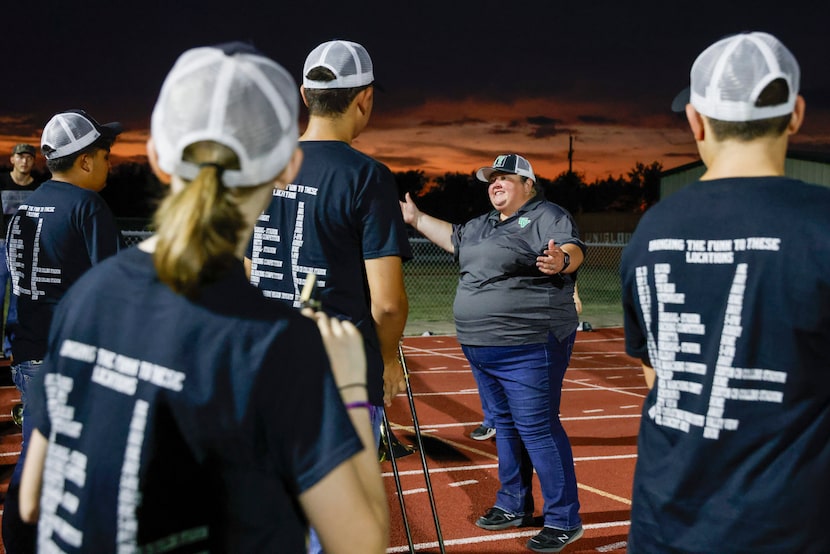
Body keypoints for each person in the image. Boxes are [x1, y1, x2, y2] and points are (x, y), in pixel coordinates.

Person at [17, 42, 389, 553]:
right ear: (286, 168)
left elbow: (31, 500)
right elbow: (360, 543)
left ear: (158, 159)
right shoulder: (279, 345)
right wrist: (349, 387)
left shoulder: (89, 297)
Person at [620, 31, 830, 552]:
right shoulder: (821, 226)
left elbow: (657, 374)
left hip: (664, 520)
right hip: (790, 525)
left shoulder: (652, 229)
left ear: (696, 120)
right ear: (796, 113)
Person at [401, 153, 585, 553]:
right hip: (482, 346)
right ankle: (513, 504)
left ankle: (563, 519)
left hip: (530, 343)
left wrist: (562, 261)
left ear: (528, 185)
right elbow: (453, 237)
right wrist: (416, 219)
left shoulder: (545, 214)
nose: (495, 184)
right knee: (505, 424)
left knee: (537, 428)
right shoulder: (482, 224)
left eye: (505, 178)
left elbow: (571, 248)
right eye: (491, 179)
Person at [244, 40, 410, 427]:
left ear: (305, 95)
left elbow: (248, 271)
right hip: (340, 371)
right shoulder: (366, 176)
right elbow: (387, 303)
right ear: (365, 99)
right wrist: (387, 359)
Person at [2, 110, 125, 553]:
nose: (110, 164)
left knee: (34, 463)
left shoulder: (26, 205)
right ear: (86, 161)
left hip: (29, 354)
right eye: (106, 155)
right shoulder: (88, 207)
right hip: (71, 359)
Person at [1, 144, 42, 359]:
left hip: (24, 249)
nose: (24, 161)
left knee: (18, 300)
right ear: (12, 159)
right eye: (20, 157)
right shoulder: (2, 182)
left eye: (29, 157)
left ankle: (11, 348)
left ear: (34, 162)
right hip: (0, 245)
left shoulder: (38, 188)